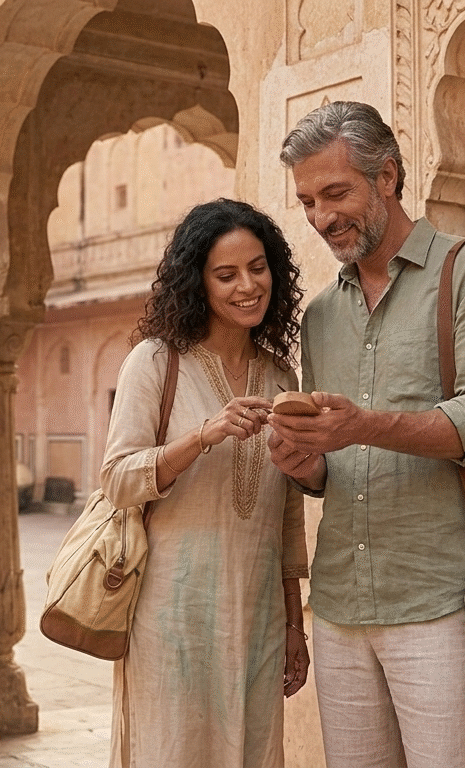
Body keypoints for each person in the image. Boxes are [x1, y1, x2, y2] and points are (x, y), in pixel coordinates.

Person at [267, 100, 465, 768]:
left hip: (441, 599)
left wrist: (363, 425)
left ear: (388, 176)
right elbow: (334, 465)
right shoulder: (321, 316)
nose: (322, 218)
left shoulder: (459, 274)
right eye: (307, 202)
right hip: (342, 604)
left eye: (336, 192)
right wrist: (303, 462)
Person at [100, 198, 309, 768]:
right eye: (226, 274)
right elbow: (118, 480)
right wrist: (202, 435)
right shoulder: (156, 361)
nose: (247, 285)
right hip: (173, 622)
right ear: (198, 283)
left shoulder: (279, 375)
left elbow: (287, 513)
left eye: (258, 267)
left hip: (258, 621)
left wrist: (295, 624)